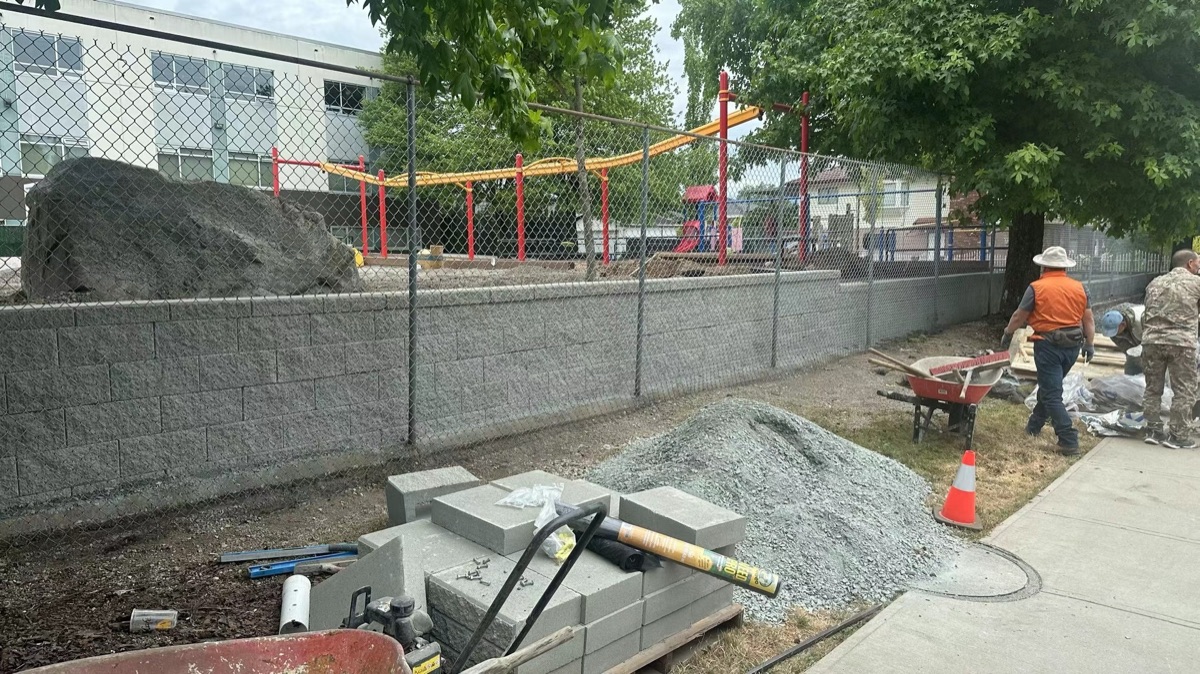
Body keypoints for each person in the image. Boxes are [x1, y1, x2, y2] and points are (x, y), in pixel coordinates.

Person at [1001, 246, 1095, 456]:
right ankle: (1034, 426)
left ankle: (1068, 439)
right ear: (1065, 267)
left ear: (1043, 266)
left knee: (1052, 394)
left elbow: (1019, 316)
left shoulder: (1037, 287)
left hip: (1048, 345)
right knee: (1049, 386)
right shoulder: (1080, 288)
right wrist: (1090, 343)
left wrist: (1008, 332)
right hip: (1073, 345)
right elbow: (1088, 319)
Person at [1140, 249, 1200, 449]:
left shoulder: (1155, 283)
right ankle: (1178, 435)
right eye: (1198, 263)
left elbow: (1146, 312)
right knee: (1184, 389)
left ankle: (1153, 429)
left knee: (1152, 388)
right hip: (1181, 343)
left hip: (1152, 341)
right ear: (1190, 263)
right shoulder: (1196, 283)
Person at [1099, 304, 1144, 375]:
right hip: (1140, 341)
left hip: (1156, 338)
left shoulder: (1141, 318)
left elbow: (1155, 337)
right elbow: (1127, 349)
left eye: (1115, 331)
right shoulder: (1115, 334)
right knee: (1131, 366)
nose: (1114, 335)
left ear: (1123, 324)